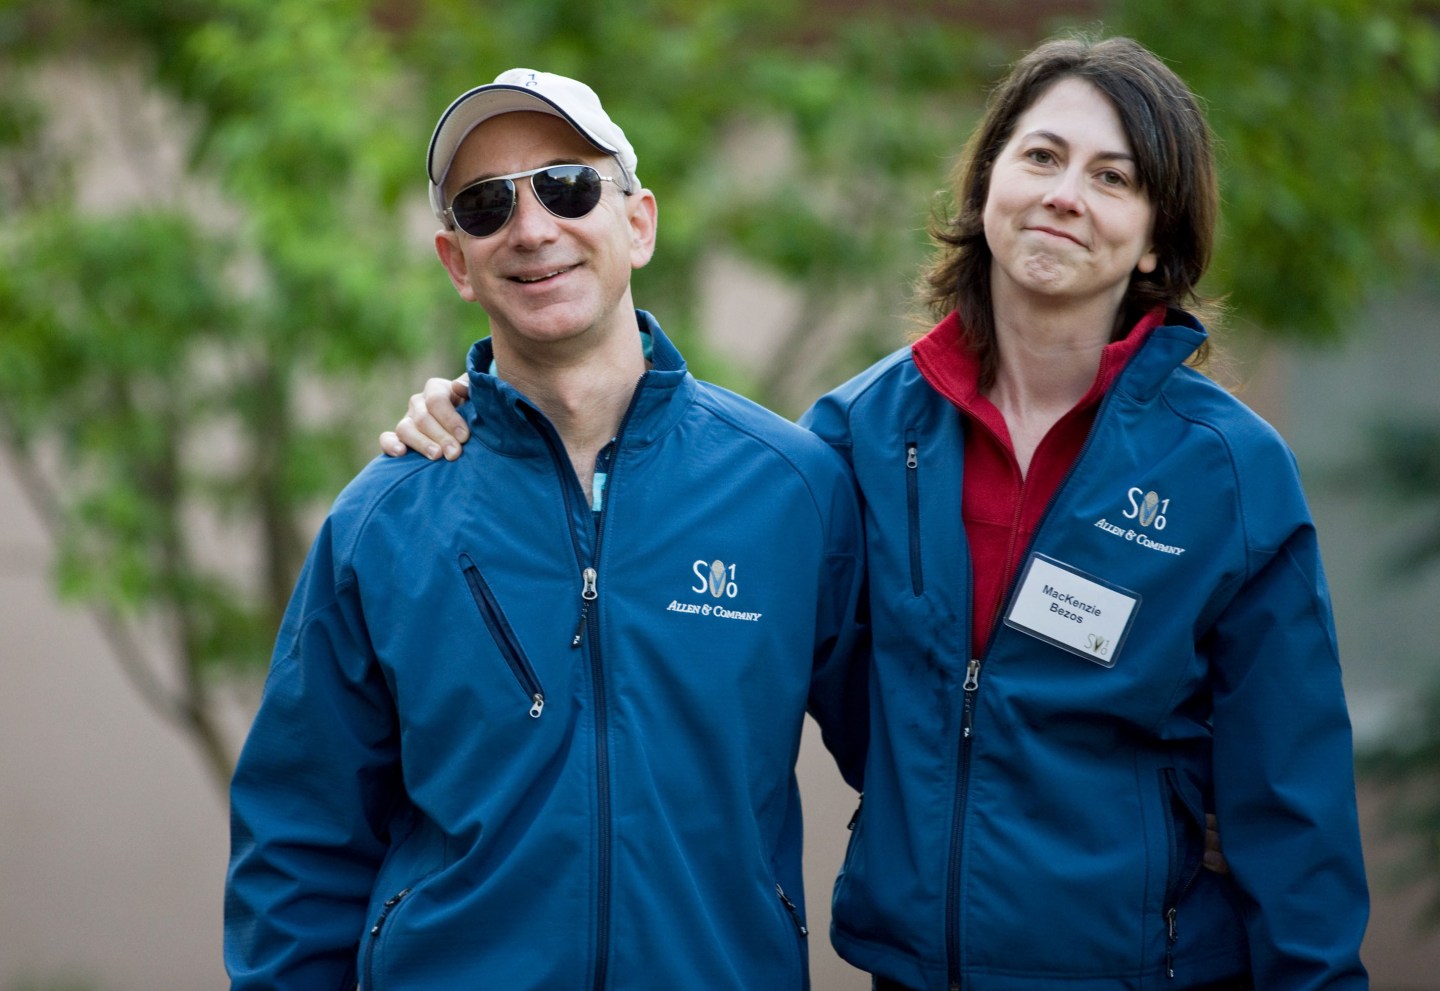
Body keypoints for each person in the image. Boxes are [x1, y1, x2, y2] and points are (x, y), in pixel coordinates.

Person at [388, 36, 1370, 991]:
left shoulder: (1229, 470)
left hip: (1144, 967)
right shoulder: (857, 436)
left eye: (1114, 177)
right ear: (987, 186)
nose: (1066, 194)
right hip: (912, 967)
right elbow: (707, 551)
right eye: (1040, 156)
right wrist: (489, 415)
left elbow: (1293, 800)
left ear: (1157, 236)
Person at [224, 68, 868, 990]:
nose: (531, 229)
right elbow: (298, 843)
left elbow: (919, 765)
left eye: (567, 186)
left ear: (639, 223)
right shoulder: (382, 521)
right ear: (457, 261)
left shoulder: (792, 490)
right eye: (486, 206)